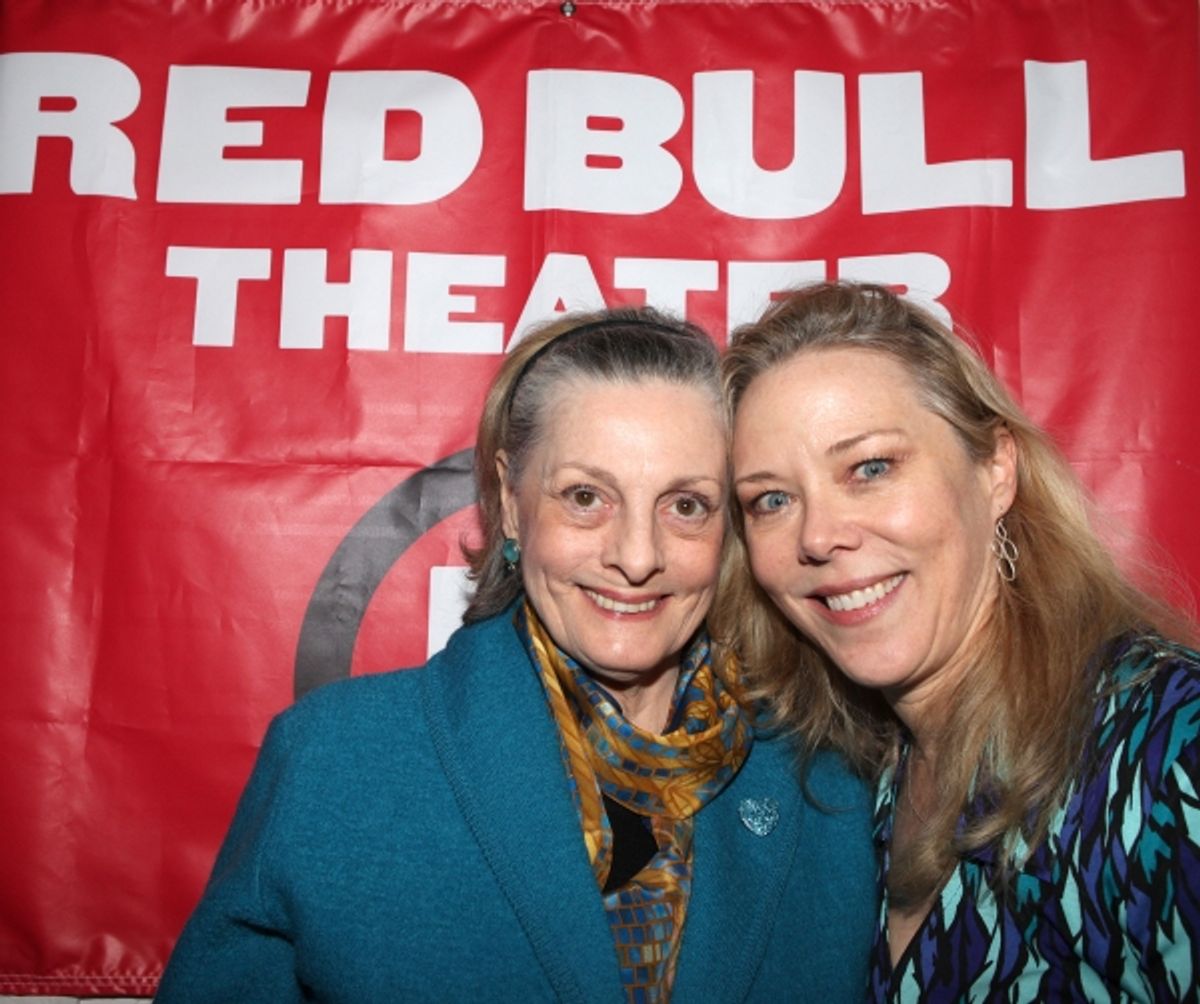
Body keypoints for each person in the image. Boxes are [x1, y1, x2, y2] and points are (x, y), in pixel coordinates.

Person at [156, 307, 876, 1003]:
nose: (636, 557)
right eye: (586, 496)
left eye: (685, 505)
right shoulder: (336, 759)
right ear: (511, 496)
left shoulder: (828, 775)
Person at [716, 280, 1200, 1002]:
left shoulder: (1170, 751)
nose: (817, 535)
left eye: (870, 468)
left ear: (995, 469)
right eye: (772, 501)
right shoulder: (847, 780)